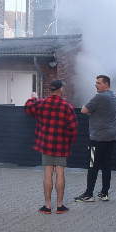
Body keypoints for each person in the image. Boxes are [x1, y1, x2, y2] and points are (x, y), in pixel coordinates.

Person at [25, 80, 77, 214]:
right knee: (60, 173)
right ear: (60, 89)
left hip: (46, 145)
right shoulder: (67, 106)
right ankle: (60, 206)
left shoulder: (41, 103)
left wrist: (33, 98)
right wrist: (69, 142)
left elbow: (28, 108)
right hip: (61, 146)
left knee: (48, 173)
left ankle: (47, 206)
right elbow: (73, 128)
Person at [75, 74, 116, 203]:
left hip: (97, 138)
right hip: (110, 138)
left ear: (106, 84)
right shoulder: (113, 96)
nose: (96, 85)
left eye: (98, 83)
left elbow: (83, 110)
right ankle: (104, 193)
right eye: (96, 82)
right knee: (106, 166)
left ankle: (88, 194)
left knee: (92, 165)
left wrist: (89, 110)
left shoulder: (99, 97)